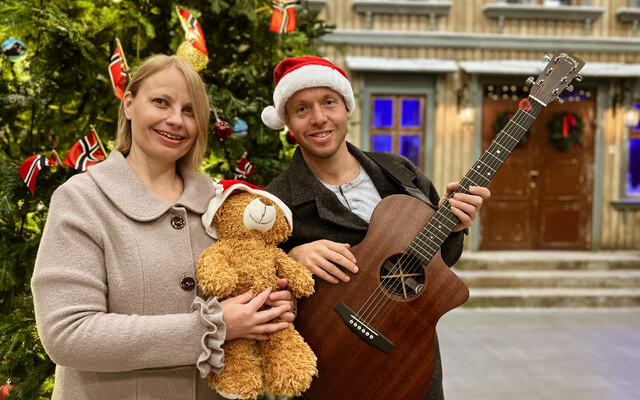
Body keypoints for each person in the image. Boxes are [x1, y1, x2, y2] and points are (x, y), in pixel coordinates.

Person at [31, 54, 294, 400]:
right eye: (160, 102)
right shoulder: (82, 200)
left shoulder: (220, 205)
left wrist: (269, 304)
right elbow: (68, 334)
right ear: (128, 104)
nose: (176, 120)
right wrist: (212, 326)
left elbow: (244, 295)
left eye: (189, 111)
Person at [263, 56, 491, 399]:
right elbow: (246, 279)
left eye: (329, 102)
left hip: (409, 362)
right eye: (302, 109)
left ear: (346, 108)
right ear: (288, 124)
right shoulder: (274, 202)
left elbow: (435, 268)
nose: (319, 118)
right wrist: (289, 258)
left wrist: (452, 225)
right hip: (329, 372)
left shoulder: (399, 172)